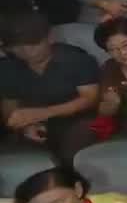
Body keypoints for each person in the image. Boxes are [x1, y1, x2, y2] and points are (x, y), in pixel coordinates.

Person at [0, 11, 99, 163]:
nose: (26, 51)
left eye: (33, 44)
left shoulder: (76, 59)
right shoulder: (8, 68)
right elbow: (10, 109)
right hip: (34, 126)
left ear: (50, 37)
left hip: (76, 121)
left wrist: (44, 113)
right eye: (18, 46)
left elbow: (90, 98)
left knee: (78, 140)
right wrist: (24, 126)